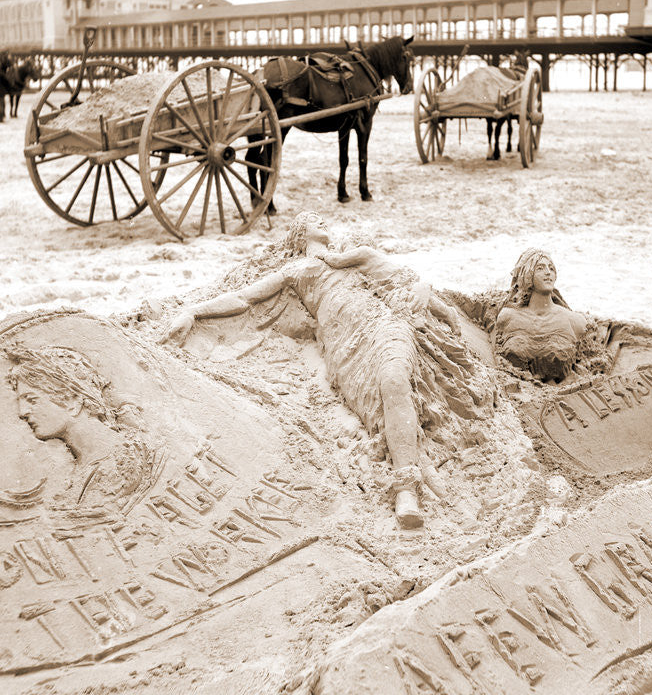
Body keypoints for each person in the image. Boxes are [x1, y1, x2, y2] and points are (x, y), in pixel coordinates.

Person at [162, 212, 492, 528]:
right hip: (343, 346)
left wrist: (433, 299)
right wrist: (194, 312)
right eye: (311, 220)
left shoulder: (351, 256)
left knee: (393, 379)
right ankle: (415, 460)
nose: (321, 221)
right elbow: (244, 298)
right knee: (374, 406)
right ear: (299, 235)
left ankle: (406, 489)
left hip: (382, 323)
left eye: (322, 219)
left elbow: (400, 282)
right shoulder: (294, 270)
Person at [7, 344, 157, 510]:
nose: (22, 412)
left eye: (31, 400)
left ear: (73, 400)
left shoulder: (129, 461)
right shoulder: (83, 475)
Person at [493, 248, 594, 382]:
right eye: (540, 268)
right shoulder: (507, 317)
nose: (548, 272)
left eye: (551, 268)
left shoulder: (574, 320)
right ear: (527, 276)